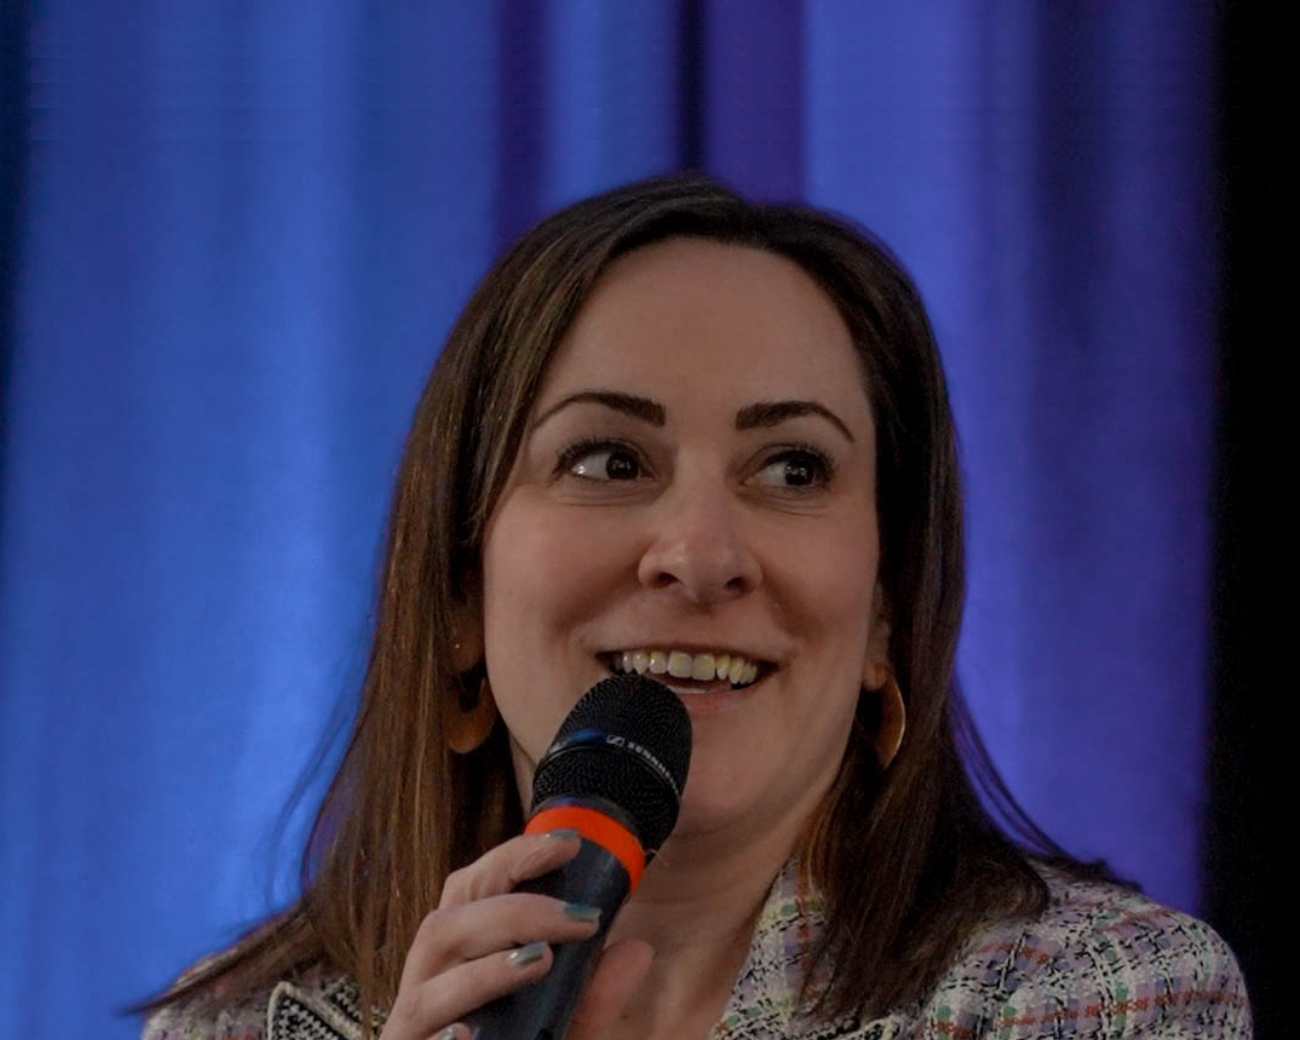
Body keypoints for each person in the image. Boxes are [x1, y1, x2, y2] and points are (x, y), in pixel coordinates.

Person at [139, 176, 1250, 1040]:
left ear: (885, 613)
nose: (702, 555)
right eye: (609, 459)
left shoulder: (1104, 999)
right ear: (461, 597)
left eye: (794, 468)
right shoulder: (228, 1025)